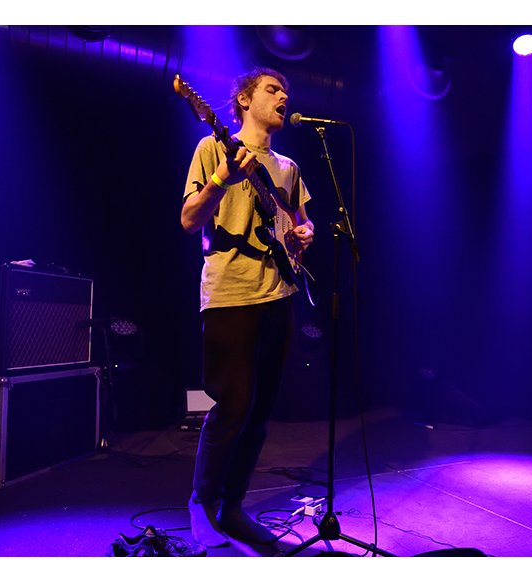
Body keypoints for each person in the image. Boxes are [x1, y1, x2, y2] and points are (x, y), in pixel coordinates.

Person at [180, 67, 315, 548]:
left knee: (260, 411)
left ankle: (233, 508)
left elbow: (302, 222)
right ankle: (203, 501)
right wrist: (223, 177)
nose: (284, 96)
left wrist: (305, 232)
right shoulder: (212, 148)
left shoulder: (288, 167)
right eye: (273, 90)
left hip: (280, 294)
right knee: (232, 404)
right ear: (243, 100)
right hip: (231, 293)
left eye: (286, 90)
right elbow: (188, 218)